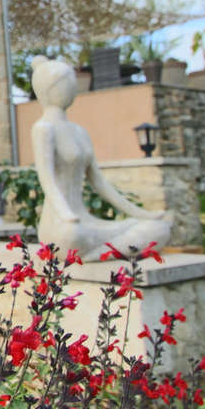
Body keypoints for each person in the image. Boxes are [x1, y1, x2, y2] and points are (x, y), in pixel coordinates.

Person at [30, 56, 171, 260]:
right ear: (47, 89)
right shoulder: (43, 129)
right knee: (72, 237)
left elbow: (100, 183)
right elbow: (47, 180)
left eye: (72, 82)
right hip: (62, 225)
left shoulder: (79, 131)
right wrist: (67, 216)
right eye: (64, 83)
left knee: (159, 228)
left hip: (87, 223)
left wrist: (141, 214)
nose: (71, 88)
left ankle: (97, 254)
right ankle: (103, 251)